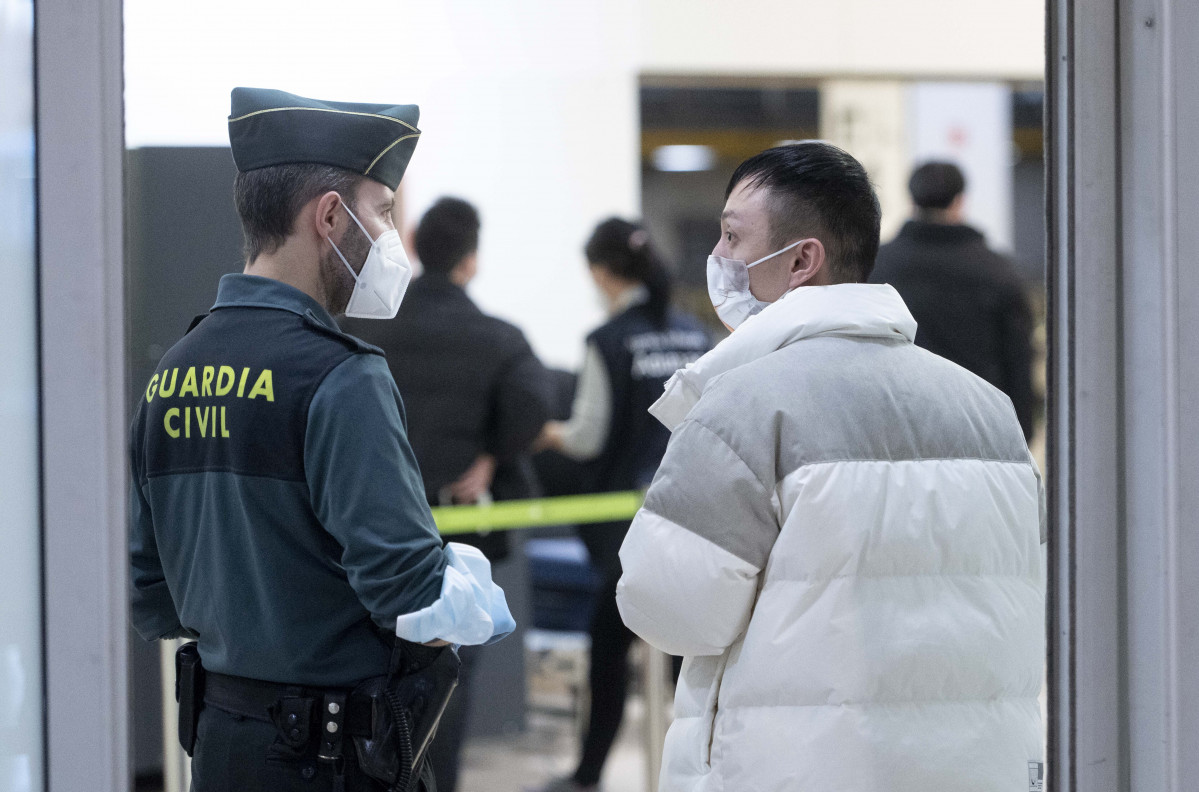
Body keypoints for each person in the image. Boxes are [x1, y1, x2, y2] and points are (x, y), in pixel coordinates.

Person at [616, 142, 1045, 792]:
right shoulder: (990, 411)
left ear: (800, 259)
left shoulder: (743, 403)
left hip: (796, 767)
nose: (719, 259)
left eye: (732, 236)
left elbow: (671, 607)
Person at [128, 87, 513, 792]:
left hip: (221, 747)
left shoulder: (173, 372)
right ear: (331, 216)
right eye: (383, 212)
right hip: (333, 759)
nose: (390, 237)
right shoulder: (340, 375)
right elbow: (411, 595)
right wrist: (473, 592)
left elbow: (154, 596)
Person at [341, 196, 552, 792]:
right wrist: (491, 455)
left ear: (412, 246)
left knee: (358, 684)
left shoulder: (361, 329)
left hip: (366, 534)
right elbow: (533, 409)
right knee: (445, 688)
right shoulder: (499, 338)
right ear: (472, 260)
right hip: (457, 545)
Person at [535, 218, 712, 792]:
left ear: (603, 272)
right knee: (688, 658)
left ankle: (588, 775)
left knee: (610, 648)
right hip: (695, 518)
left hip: (628, 530)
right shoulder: (693, 334)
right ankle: (708, 770)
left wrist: (544, 434)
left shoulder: (608, 341)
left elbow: (587, 436)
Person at [870, 161, 1037, 439]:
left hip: (894, 430)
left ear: (911, 200)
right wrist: (1022, 435)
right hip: (978, 431)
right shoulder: (998, 271)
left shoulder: (877, 266)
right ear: (960, 201)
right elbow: (1018, 362)